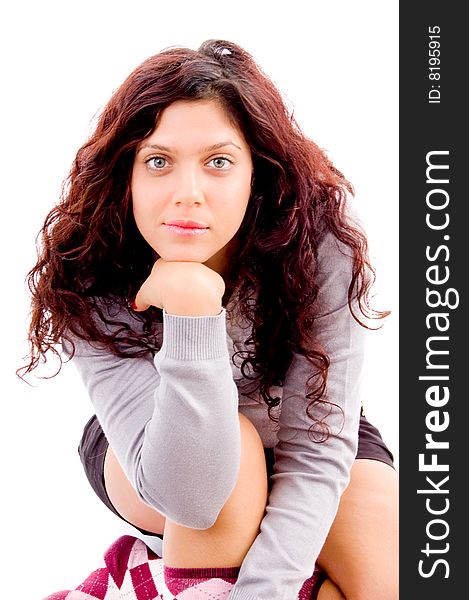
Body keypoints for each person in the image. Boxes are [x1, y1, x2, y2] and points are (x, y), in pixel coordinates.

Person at [23, 39, 398, 599]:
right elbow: (192, 496)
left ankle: (154, 580)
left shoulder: (320, 239)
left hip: (301, 429)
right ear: (127, 174)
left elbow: (317, 446)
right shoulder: (88, 267)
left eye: (219, 162)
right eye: (158, 161)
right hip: (153, 444)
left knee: (391, 580)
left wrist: (264, 592)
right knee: (230, 471)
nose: (188, 194)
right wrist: (194, 310)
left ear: (257, 172)